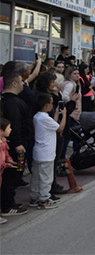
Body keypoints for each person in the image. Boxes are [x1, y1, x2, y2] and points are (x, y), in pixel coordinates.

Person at [1, 72, 32, 216]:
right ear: (14, 83)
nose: (23, 84)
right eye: (21, 81)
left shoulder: (8, 99)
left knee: (12, 175)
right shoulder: (12, 102)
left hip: (12, 144)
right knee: (11, 175)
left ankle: (9, 202)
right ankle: (7, 205)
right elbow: (15, 124)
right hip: (14, 146)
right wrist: (18, 143)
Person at [28, 93, 67, 210]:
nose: (52, 105)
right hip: (47, 152)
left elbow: (52, 125)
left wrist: (56, 115)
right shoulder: (44, 118)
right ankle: (44, 199)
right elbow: (60, 128)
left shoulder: (38, 116)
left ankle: (34, 197)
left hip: (38, 151)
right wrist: (64, 115)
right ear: (46, 105)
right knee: (46, 177)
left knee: (36, 176)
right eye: (51, 103)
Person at [0, 119, 17, 224]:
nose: (10, 130)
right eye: (8, 128)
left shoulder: (4, 141)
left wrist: (9, 159)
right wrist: (6, 164)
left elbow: (6, 155)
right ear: (1, 130)